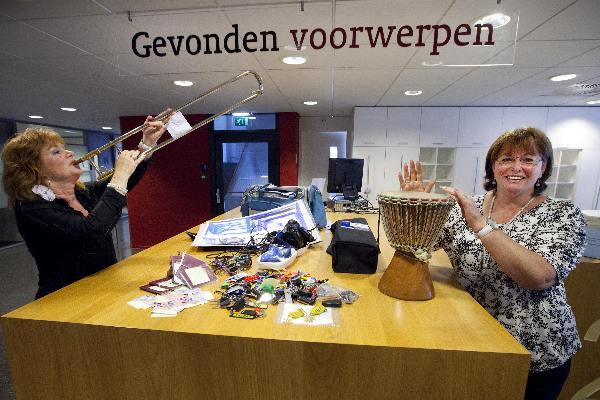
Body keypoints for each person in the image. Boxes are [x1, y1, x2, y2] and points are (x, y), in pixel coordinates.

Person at [399, 127, 586, 400]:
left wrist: (481, 226)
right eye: (506, 159)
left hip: (535, 354)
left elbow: (540, 277)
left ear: (543, 168)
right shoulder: (466, 206)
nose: (516, 167)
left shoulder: (562, 214)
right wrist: (414, 205)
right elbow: (416, 248)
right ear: (493, 167)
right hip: (469, 342)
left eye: (528, 159)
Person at [1, 113, 170, 299]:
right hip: (65, 298)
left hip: (103, 287)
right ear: (33, 168)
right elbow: (91, 230)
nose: (70, 153)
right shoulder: (32, 208)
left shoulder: (83, 192)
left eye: (64, 148)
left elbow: (127, 181)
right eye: (56, 151)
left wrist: (147, 144)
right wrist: (119, 175)